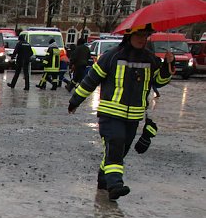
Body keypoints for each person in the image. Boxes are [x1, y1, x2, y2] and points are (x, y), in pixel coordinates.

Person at [68, 24, 173, 201]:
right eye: (139, 35)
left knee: (119, 151)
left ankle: (104, 179)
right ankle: (115, 185)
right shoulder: (112, 56)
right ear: (129, 35)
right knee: (115, 144)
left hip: (133, 117)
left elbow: (160, 81)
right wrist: (75, 101)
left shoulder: (150, 59)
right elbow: (91, 80)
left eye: (145, 35)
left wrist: (169, 65)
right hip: (110, 114)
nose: (142, 39)